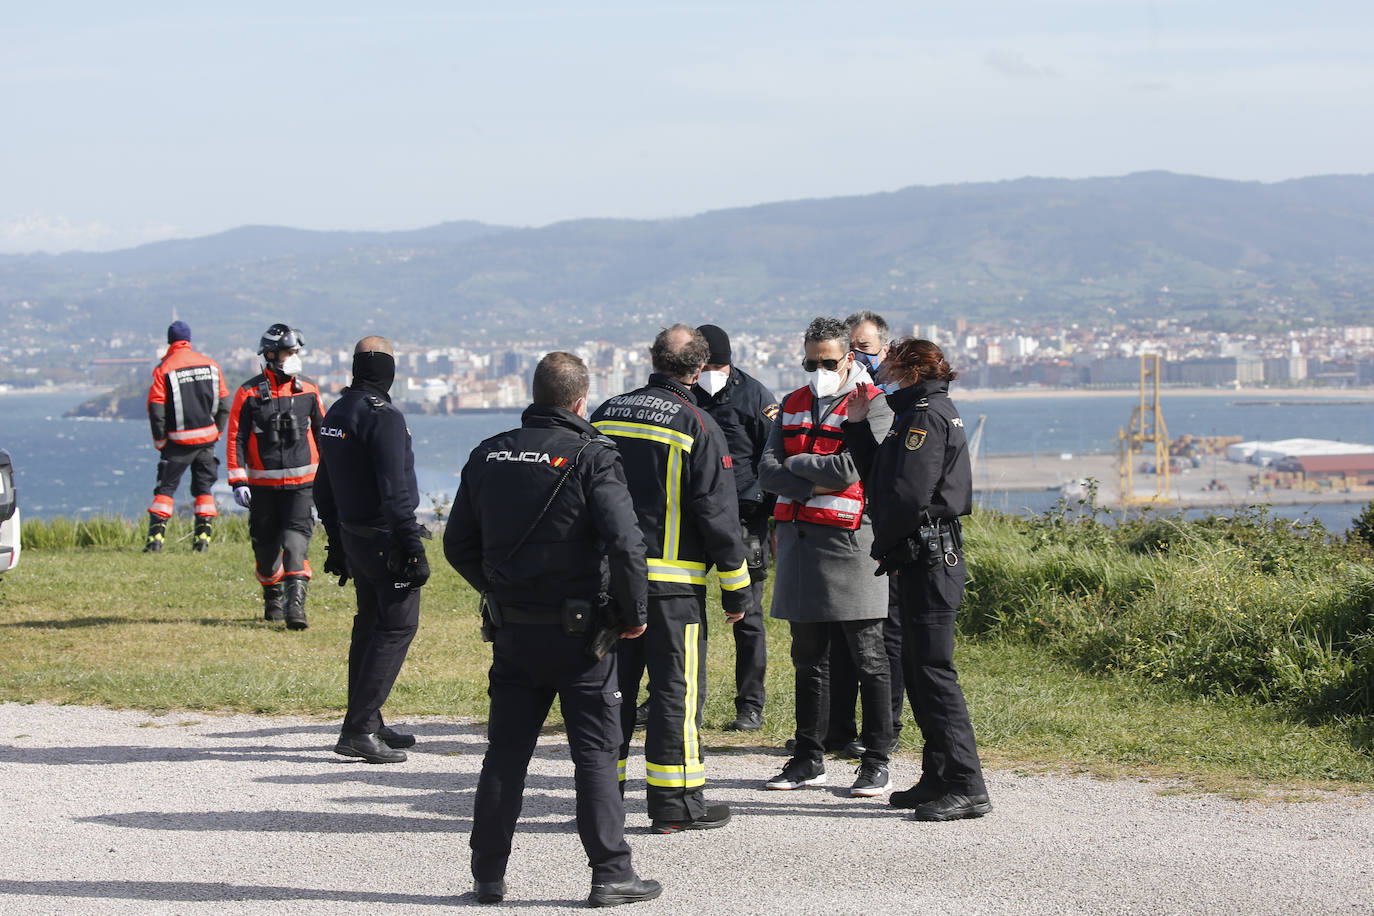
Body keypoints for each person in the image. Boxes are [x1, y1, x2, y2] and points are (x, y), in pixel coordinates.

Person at [445, 351, 662, 907]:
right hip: (582, 636)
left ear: (535, 395)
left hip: (514, 631)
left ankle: (487, 878)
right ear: (580, 400)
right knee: (594, 752)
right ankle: (611, 874)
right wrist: (633, 613)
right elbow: (626, 541)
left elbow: (457, 545)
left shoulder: (488, 453)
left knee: (506, 753)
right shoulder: (593, 455)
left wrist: (497, 589)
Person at [590, 324, 751, 834]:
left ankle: (602, 801)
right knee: (674, 695)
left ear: (652, 358)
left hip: (608, 584)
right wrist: (736, 588)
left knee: (610, 693)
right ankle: (676, 806)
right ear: (698, 368)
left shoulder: (604, 414)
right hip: (671, 589)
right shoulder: (697, 424)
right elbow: (719, 517)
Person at [843, 337, 991, 821]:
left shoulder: (925, 414)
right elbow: (880, 474)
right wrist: (859, 423)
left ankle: (967, 785)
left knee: (932, 672)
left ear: (907, 367)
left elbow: (906, 494)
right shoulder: (913, 410)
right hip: (919, 557)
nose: (877, 362)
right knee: (916, 669)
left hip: (930, 557)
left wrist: (883, 539)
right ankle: (937, 776)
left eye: (886, 357)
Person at [760, 316, 894, 798]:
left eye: (829, 361)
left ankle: (877, 760)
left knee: (868, 656)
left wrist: (796, 467)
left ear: (850, 358)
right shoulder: (793, 403)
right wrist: (809, 475)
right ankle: (807, 758)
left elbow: (854, 467)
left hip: (852, 545)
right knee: (806, 658)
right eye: (811, 361)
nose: (819, 369)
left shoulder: (872, 403)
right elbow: (766, 469)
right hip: (798, 545)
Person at [314, 336, 429, 764]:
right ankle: (358, 728)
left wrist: (335, 538)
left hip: (354, 534)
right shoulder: (385, 418)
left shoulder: (338, 412)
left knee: (369, 624)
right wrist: (412, 546)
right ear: (389, 370)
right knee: (396, 627)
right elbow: (395, 491)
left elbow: (323, 485)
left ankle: (368, 718)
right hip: (384, 537)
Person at [823, 310, 906, 757]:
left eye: (866, 349)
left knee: (886, 633)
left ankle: (885, 726)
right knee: (839, 632)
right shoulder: (837, 392)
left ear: (885, 351)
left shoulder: (892, 399)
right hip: (841, 527)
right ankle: (837, 728)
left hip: (881, 525)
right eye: (850, 348)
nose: (857, 356)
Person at [691, 324, 780, 732]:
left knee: (747, 616)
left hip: (744, 519)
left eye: (717, 365)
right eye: (704, 365)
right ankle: (674, 698)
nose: (710, 372)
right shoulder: (683, 393)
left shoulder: (756, 396)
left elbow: (773, 457)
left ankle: (750, 705)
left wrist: (762, 508)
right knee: (680, 614)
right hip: (691, 519)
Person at [226, 323, 323, 630]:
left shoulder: (308, 390)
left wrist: (331, 476)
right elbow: (235, 438)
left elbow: (324, 433)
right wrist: (238, 480)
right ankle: (273, 596)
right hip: (262, 489)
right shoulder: (248, 393)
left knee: (296, 544)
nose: (295, 357)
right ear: (270, 355)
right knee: (266, 551)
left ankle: (296, 607)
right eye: (289, 352)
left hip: (301, 488)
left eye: (297, 352)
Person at [143, 321, 229, 553]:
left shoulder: (164, 369)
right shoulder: (211, 365)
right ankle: (203, 539)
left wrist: (160, 440)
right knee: (204, 490)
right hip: (207, 441)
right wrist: (218, 431)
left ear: (170, 341)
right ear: (189, 340)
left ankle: (156, 540)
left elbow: (156, 409)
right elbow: (224, 403)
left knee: (165, 490)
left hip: (177, 442)